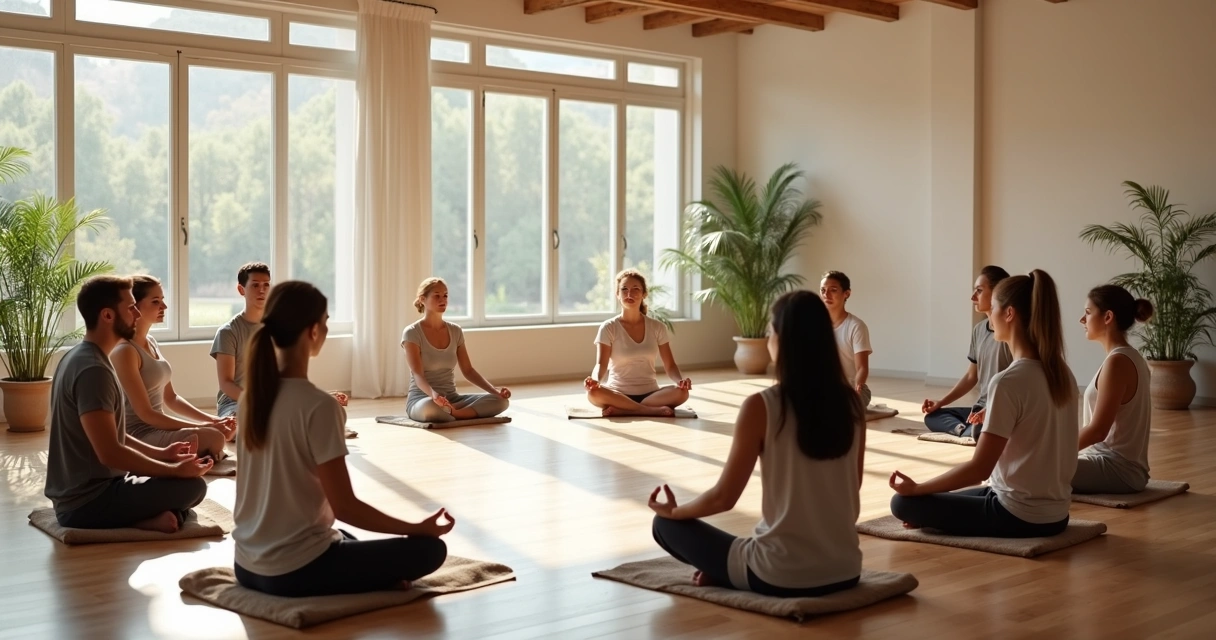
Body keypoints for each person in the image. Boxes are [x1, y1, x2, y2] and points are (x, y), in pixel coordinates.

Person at [234, 281, 453, 597]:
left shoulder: (250, 398)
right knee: (429, 550)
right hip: (292, 573)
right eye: (325, 322)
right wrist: (417, 528)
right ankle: (375, 579)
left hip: (246, 566)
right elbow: (345, 506)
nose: (325, 329)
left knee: (340, 536)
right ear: (313, 331)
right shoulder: (319, 406)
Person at [647, 290, 865, 596]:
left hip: (780, 575)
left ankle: (730, 574)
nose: (768, 338)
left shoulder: (762, 406)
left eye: (770, 332)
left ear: (781, 339)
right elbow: (854, 484)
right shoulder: (852, 404)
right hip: (846, 570)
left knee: (664, 526)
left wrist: (674, 512)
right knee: (749, 544)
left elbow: (723, 498)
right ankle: (730, 572)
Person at [889, 270, 1078, 538]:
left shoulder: (1008, 381)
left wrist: (918, 489)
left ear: (1009, 313)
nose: (990, 316)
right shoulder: (1063, 374)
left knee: (903, 503)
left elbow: (979, 469)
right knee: (934, 499)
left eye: (994, 308)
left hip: (1017, 515)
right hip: (1057, 516)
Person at [44, 276, 212, 532]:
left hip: (91, 492)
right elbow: (110, 452)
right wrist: (174, 470)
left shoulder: (80, 356)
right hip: (86, 502)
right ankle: (145, 520)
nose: (137, 313)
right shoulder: (93, 370)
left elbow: (112, 434)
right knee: (194, 487)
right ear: (107, 315)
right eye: (131, 307)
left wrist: (162, 454)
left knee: (181, 481)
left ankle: (151, 517)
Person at [112, 275, 235, 460]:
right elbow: (146, 414)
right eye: (155, 301)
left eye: (162, 300)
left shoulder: (151, 342)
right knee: (213, 438)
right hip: (138, 435)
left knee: (216, 434)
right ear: (134, 306)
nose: (164, 306)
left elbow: (171, 398)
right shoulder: (125, 351)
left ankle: (195, 456)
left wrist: (213, 420)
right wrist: (204, 427)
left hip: (157, 429)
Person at [1074, 285, 1155, 494]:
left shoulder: (1118, 362)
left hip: (1118, 470)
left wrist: (1055, 452)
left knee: (1031, 468)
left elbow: (1098, 431)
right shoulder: (1128, 357)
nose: (1082, 320)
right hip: (1111, 465)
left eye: (1088, 312)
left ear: (1108, 317)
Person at [922, 266, 1014, 438]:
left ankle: (974, 431)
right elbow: (972, 376)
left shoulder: (1012, 332)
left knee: (981, 429)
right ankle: (966, 431)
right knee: (933, 417)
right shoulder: (979, 330)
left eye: (979, 291)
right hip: (980, 408)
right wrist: (940, 402)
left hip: (1000, 410)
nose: (973, 297)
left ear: (996, 292)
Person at [401, 278, 510, 423]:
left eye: (445, 295)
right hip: (423, 400)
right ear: (422, 299)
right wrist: (434, 395)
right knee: (431, 409)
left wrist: (495, 391)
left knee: (501, 401)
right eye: (437, 296)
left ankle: (455, 413)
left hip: (453, 399)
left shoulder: (455, 330)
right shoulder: (412, 333)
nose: (443, 299)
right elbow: (418, 375)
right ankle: (456, 412)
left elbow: (468, 371)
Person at [585, 268, 691, 417]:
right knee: (594, 393)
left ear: (644, 294)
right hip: (617, 393)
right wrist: (595, 380)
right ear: (617, 294)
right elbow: (601, 365)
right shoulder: (608, 327)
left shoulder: (657, 327)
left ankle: (624, 409)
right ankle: (647, 410)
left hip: (651, 395)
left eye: (635, 289)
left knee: (682, 393)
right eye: (624, 289)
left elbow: (670, 365)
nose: (629, 294)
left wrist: (680, 381)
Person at [211, 262, 272, 419]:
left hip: (270, 400)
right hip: (235, 402)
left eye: (266, 285)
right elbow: (226, 383)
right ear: (241, 289)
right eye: (255, 285)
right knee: (248, 420)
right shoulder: (228, 332)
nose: (262, 290)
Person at [821, 271, 872, 406]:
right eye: (823, 290)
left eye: (833, 290)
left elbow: (862, 368)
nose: (826, 295)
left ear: (847, 294)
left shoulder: (856, 326)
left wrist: (857, 387)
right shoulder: (815, 324)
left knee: (843, 406)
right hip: (822, 388)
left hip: (849, 389)